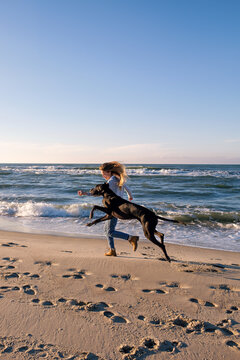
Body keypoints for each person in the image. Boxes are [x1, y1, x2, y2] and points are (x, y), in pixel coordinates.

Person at [78, 161, 139, 257]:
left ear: (109, 172)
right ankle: (112, 250)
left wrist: (85, 193)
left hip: (114, 209)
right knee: (107, 230)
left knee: (109, 231)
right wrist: (129, 196)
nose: (103, 176)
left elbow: (97, 193)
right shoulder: (116, 179)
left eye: (104, 173)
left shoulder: (111, 182)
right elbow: (127, 187)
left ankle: (131, 238)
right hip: (114, 207)